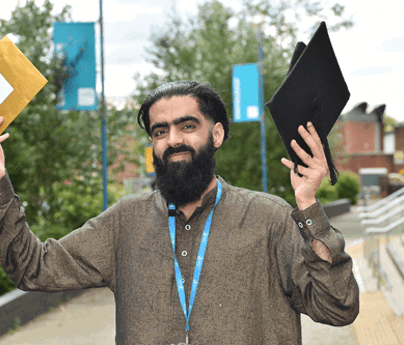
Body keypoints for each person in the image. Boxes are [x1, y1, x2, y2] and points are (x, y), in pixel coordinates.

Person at [0, 81, 359, 345]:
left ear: (216, 135)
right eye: (160, 131)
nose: (173, 140)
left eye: (188, 126)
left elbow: (337, 307)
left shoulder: (269, 218)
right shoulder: (125, 221)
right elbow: (33, 268)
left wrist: (309, 205)